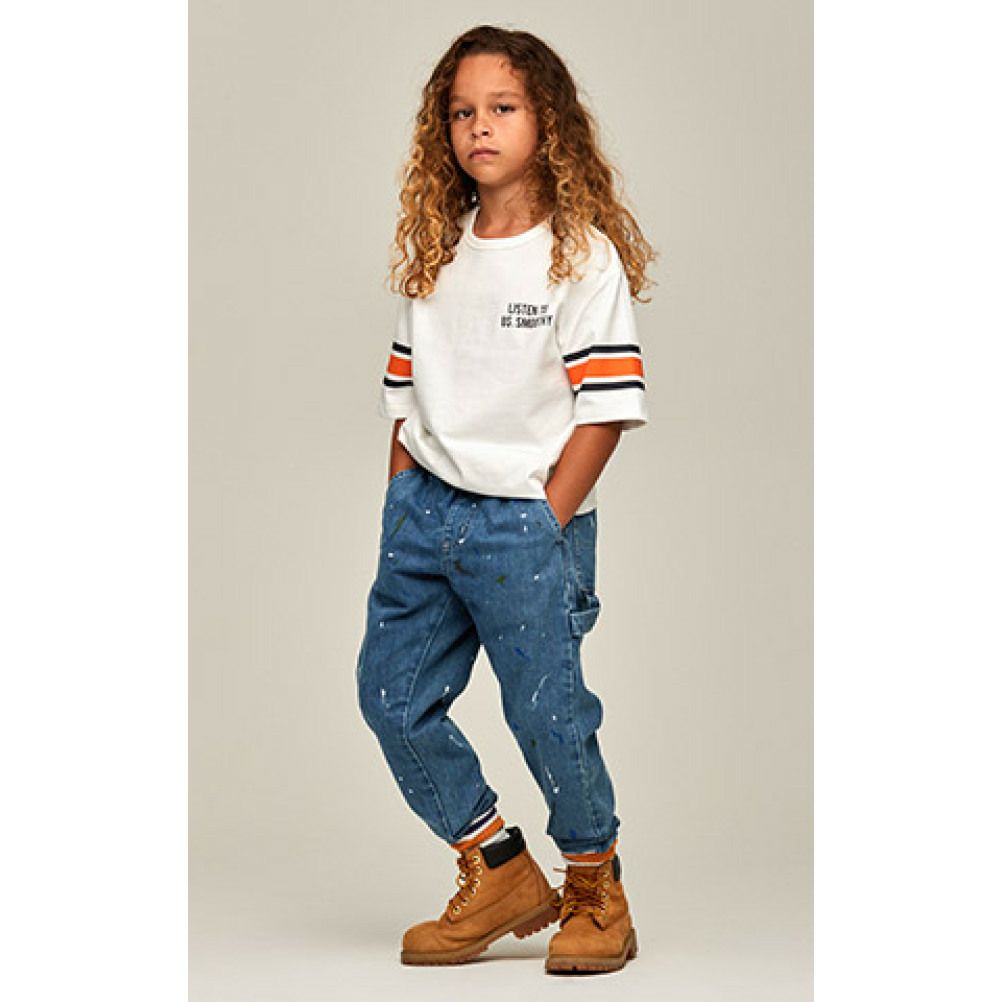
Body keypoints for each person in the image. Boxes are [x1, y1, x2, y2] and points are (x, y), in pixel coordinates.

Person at [355, 24, 656, 975]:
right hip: (425, 513)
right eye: (460, 112)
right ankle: (497, 870)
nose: (478, 127)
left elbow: (606, 408)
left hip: (523, 524)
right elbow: (406, 394)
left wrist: (543, 519)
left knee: (547, 716)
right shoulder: (436, 251)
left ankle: (597, 889)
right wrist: (402, 500)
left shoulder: (580, 256)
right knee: (391, 697)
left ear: (547, 122)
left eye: (503, 107)